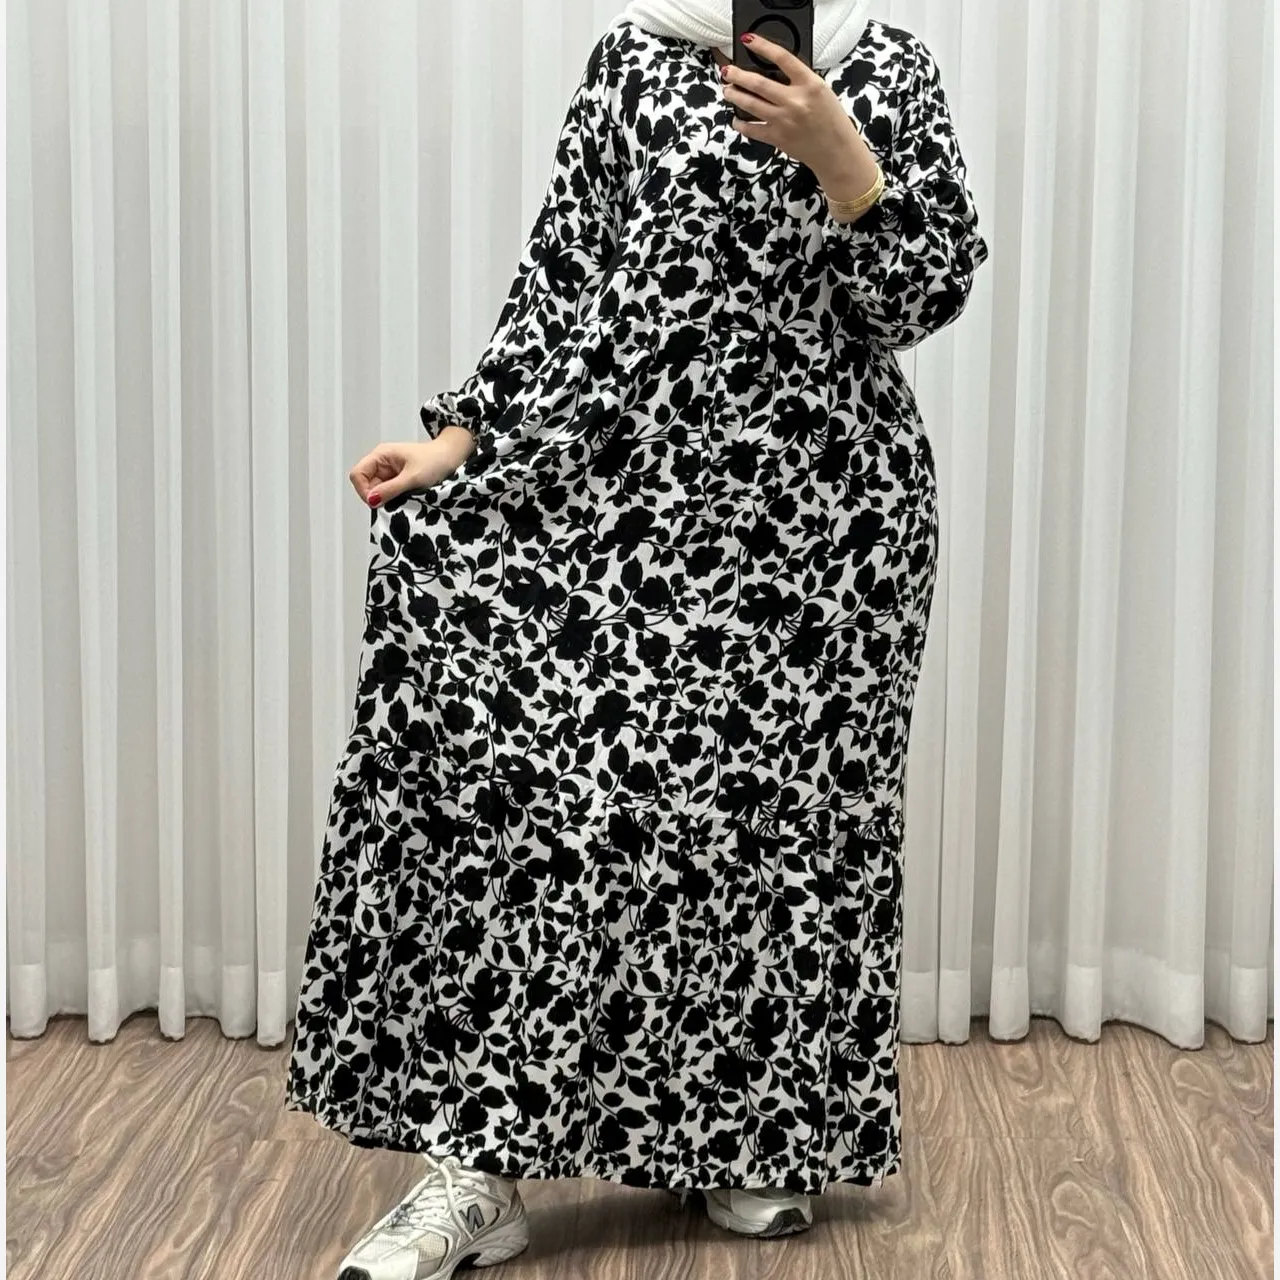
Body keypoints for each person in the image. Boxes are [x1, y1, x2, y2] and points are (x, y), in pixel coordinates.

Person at [286, 1, 989, 1275]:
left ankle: (748, 1134)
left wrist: (842, 159)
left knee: (769, 835)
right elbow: (562, 280)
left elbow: (919, 297)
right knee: (542, 811)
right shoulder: (632, 59)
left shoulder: (888, 67)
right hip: (627, 493)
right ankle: (476, 1167)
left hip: (826, 523)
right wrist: (461, 438)